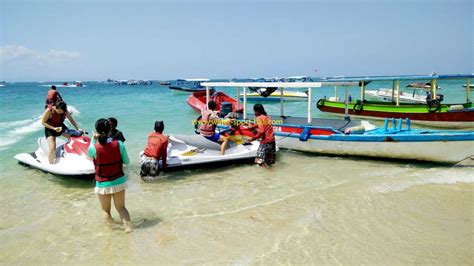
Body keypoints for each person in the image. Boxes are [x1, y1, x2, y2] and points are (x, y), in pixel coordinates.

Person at [88, 118, 132, 233]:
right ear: (110, 130)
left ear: (96, 131)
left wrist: (93, 139)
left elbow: (89, 154)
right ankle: (128, 228)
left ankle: (110, 233)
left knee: (106, 211)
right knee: (121, 208)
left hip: (103, 184)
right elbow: (127, 161)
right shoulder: (119, 144)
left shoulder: (94, 147)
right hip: (119, 180)